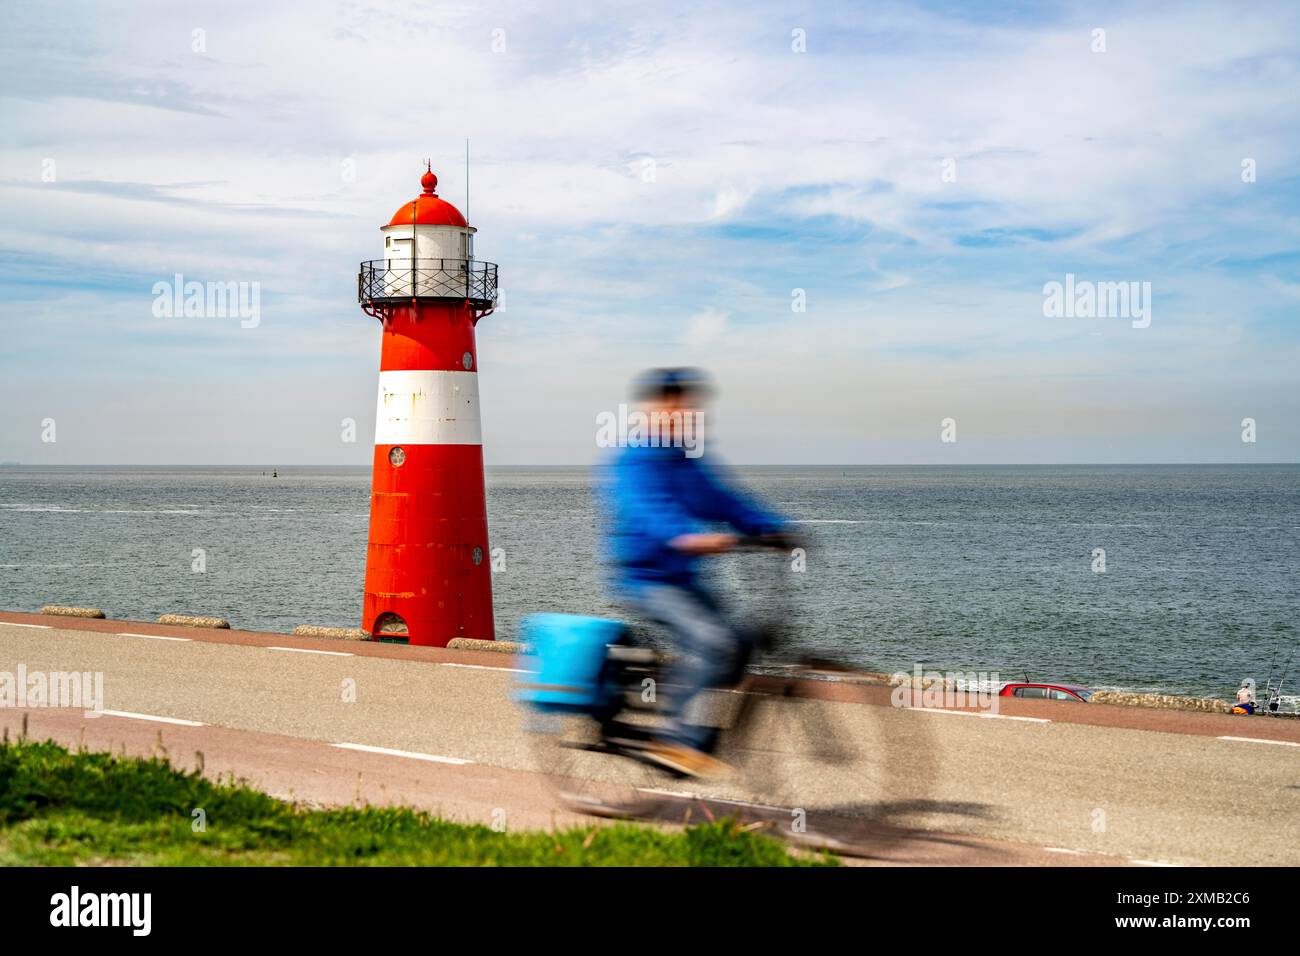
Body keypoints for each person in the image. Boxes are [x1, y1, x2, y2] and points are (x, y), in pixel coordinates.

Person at [604, 367, 793, 777]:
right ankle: (677, 740)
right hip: (645, 579)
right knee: (713, 642)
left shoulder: (689, 461)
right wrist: (687, 537)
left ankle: (690, 711)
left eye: (686, 406)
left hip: (685, 580)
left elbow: (726, 502)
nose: (681, 413)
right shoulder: (634, 461)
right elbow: (649, 509)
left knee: (740, 641)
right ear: (651, 410)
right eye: (670, 405)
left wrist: (774, 528)